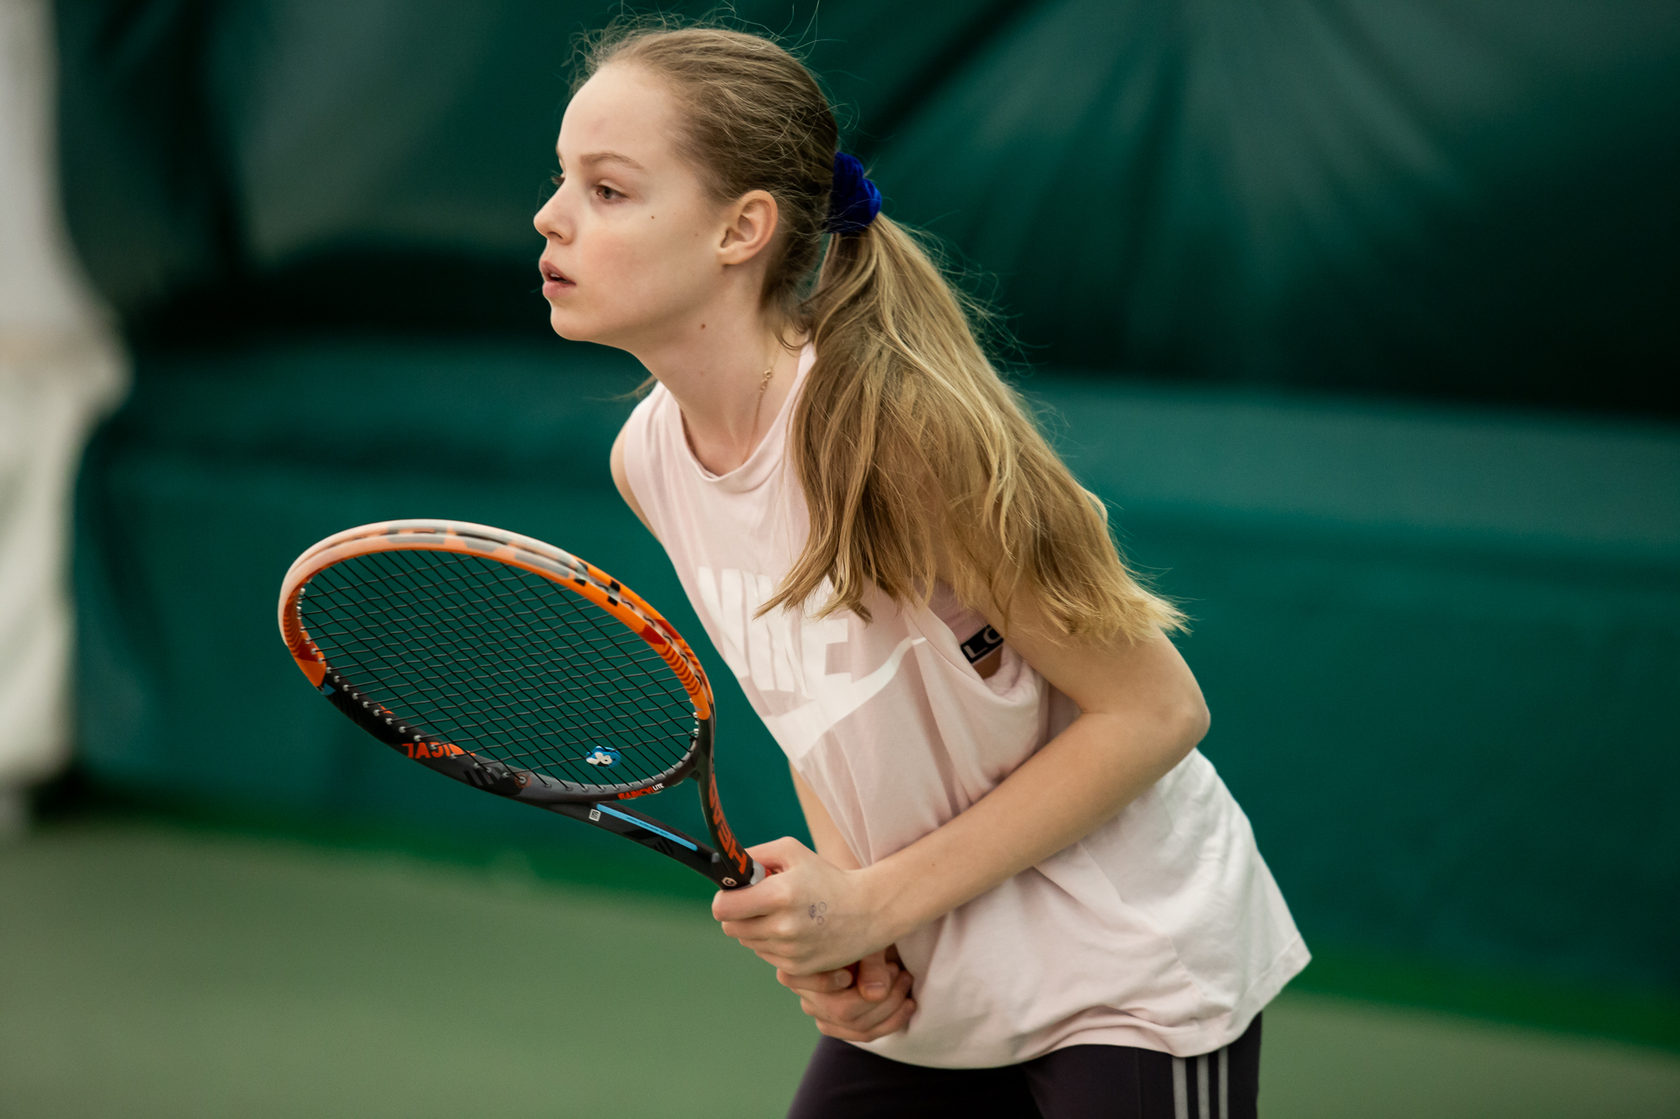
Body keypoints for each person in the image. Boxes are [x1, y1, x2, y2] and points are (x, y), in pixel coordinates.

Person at [532, 21, 1307, 1118]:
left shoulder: (900, 436)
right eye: (561, 179)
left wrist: (871, 901)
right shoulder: (651, 459)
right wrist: (854, 912)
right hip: (937, 996)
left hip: (1132, 975)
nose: (551, 216)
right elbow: (812, 710)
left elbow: (1154, 711)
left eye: (607, 190)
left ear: (741, 229)